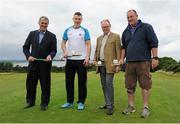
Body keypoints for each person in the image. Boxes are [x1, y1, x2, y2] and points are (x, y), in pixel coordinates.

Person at [120, 9, 159, 118]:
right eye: (128, 17)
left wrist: (155, 57)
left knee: (145, 85)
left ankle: (145, 108)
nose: (129, 19)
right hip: (129, 63)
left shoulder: (147, 27)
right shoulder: (125, 31)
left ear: (137, 16)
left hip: (143, 61)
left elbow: (154, 42)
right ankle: (131, 106)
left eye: (131, 16)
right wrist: (122, 58)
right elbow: (124, 47)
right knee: (129, 85)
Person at [23, 16, 57, 111]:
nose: (44, 25)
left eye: (46, 23)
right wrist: (28, 56)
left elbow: (54, 50)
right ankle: (30, 102)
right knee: (30, 84)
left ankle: (44, 103)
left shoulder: (52, 36)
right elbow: (25, 47)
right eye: (42, 23)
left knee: (45, 85)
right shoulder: (32, 34)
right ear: (39, 23)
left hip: (45, 65)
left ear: (48, 24)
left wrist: (50, 56)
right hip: (33, 64)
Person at [61, 12, 91, 110]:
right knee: (69, 82)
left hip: (81, 60)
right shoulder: (67, 30)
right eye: (76, 18)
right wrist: (65, 51)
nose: (77, 20)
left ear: (81, 20)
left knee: (82, 82)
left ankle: (81, 102)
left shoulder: (85, 30)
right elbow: (63, 43)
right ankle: (69, 101)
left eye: (79, 19)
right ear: (73, 19)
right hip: (70, 59)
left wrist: (87, 57)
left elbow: (88, 44)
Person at [93, 19, 121, 115]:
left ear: (110, 26)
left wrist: (117, 65)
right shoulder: (99, 38)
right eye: (103, 27)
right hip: (101, 65)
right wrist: (94, 60)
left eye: (106, 26)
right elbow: (97, 50)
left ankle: (110, 106)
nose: (105, 28)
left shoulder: (116, 36)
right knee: (104, 85)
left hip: (111, 65)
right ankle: (107, 103)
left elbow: (118, 52)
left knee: (109, 84)